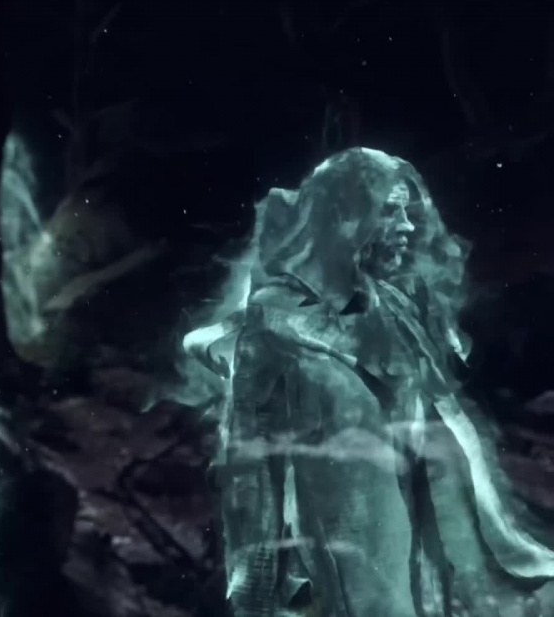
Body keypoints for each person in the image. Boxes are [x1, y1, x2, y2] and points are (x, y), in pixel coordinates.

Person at [189, 147, 554, 616]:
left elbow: (437, 432)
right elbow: (251, 466)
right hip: (345, 555)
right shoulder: (274, 323)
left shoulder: (396, 310)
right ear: (344, 217)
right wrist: (253, 591)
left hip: (425, 557)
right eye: (389, 211)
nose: (407, 226)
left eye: (407, 212)